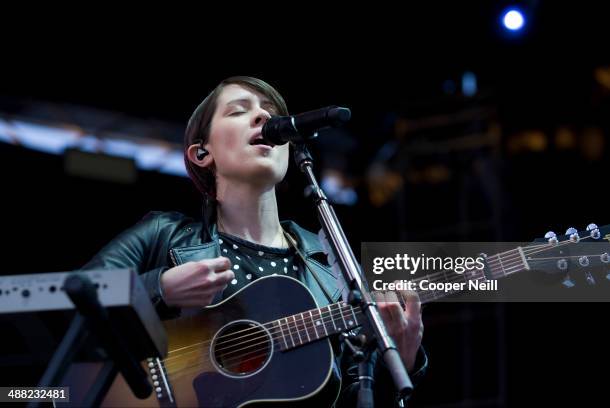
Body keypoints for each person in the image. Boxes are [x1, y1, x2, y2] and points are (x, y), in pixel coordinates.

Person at [83, 76, 427, 406]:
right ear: (202, 153)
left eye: (270, 111)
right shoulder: (164, 233)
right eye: (239, 110)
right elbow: (69, 297)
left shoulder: (330, 268)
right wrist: (158, 288)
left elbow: (354, 399)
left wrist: (398, 361)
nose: (264, 116)